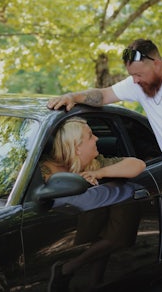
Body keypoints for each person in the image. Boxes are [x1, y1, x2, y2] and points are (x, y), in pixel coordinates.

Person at [47, 38, 162, 288]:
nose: (134, 81)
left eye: (138, 74)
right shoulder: (139, 86)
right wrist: (73, 95)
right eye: (131, 76)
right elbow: (103, 95)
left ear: (156, 63)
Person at [40, 116, 146, 292]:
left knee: (114, 230)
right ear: (77, 147)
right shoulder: (46, 168)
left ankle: (71, 270)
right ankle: (78, 274)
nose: (97, 138)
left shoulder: (95, 163)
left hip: (95, 213)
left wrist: (99, 173)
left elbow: (137, 165)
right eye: (90, 136)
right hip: (66, 221)